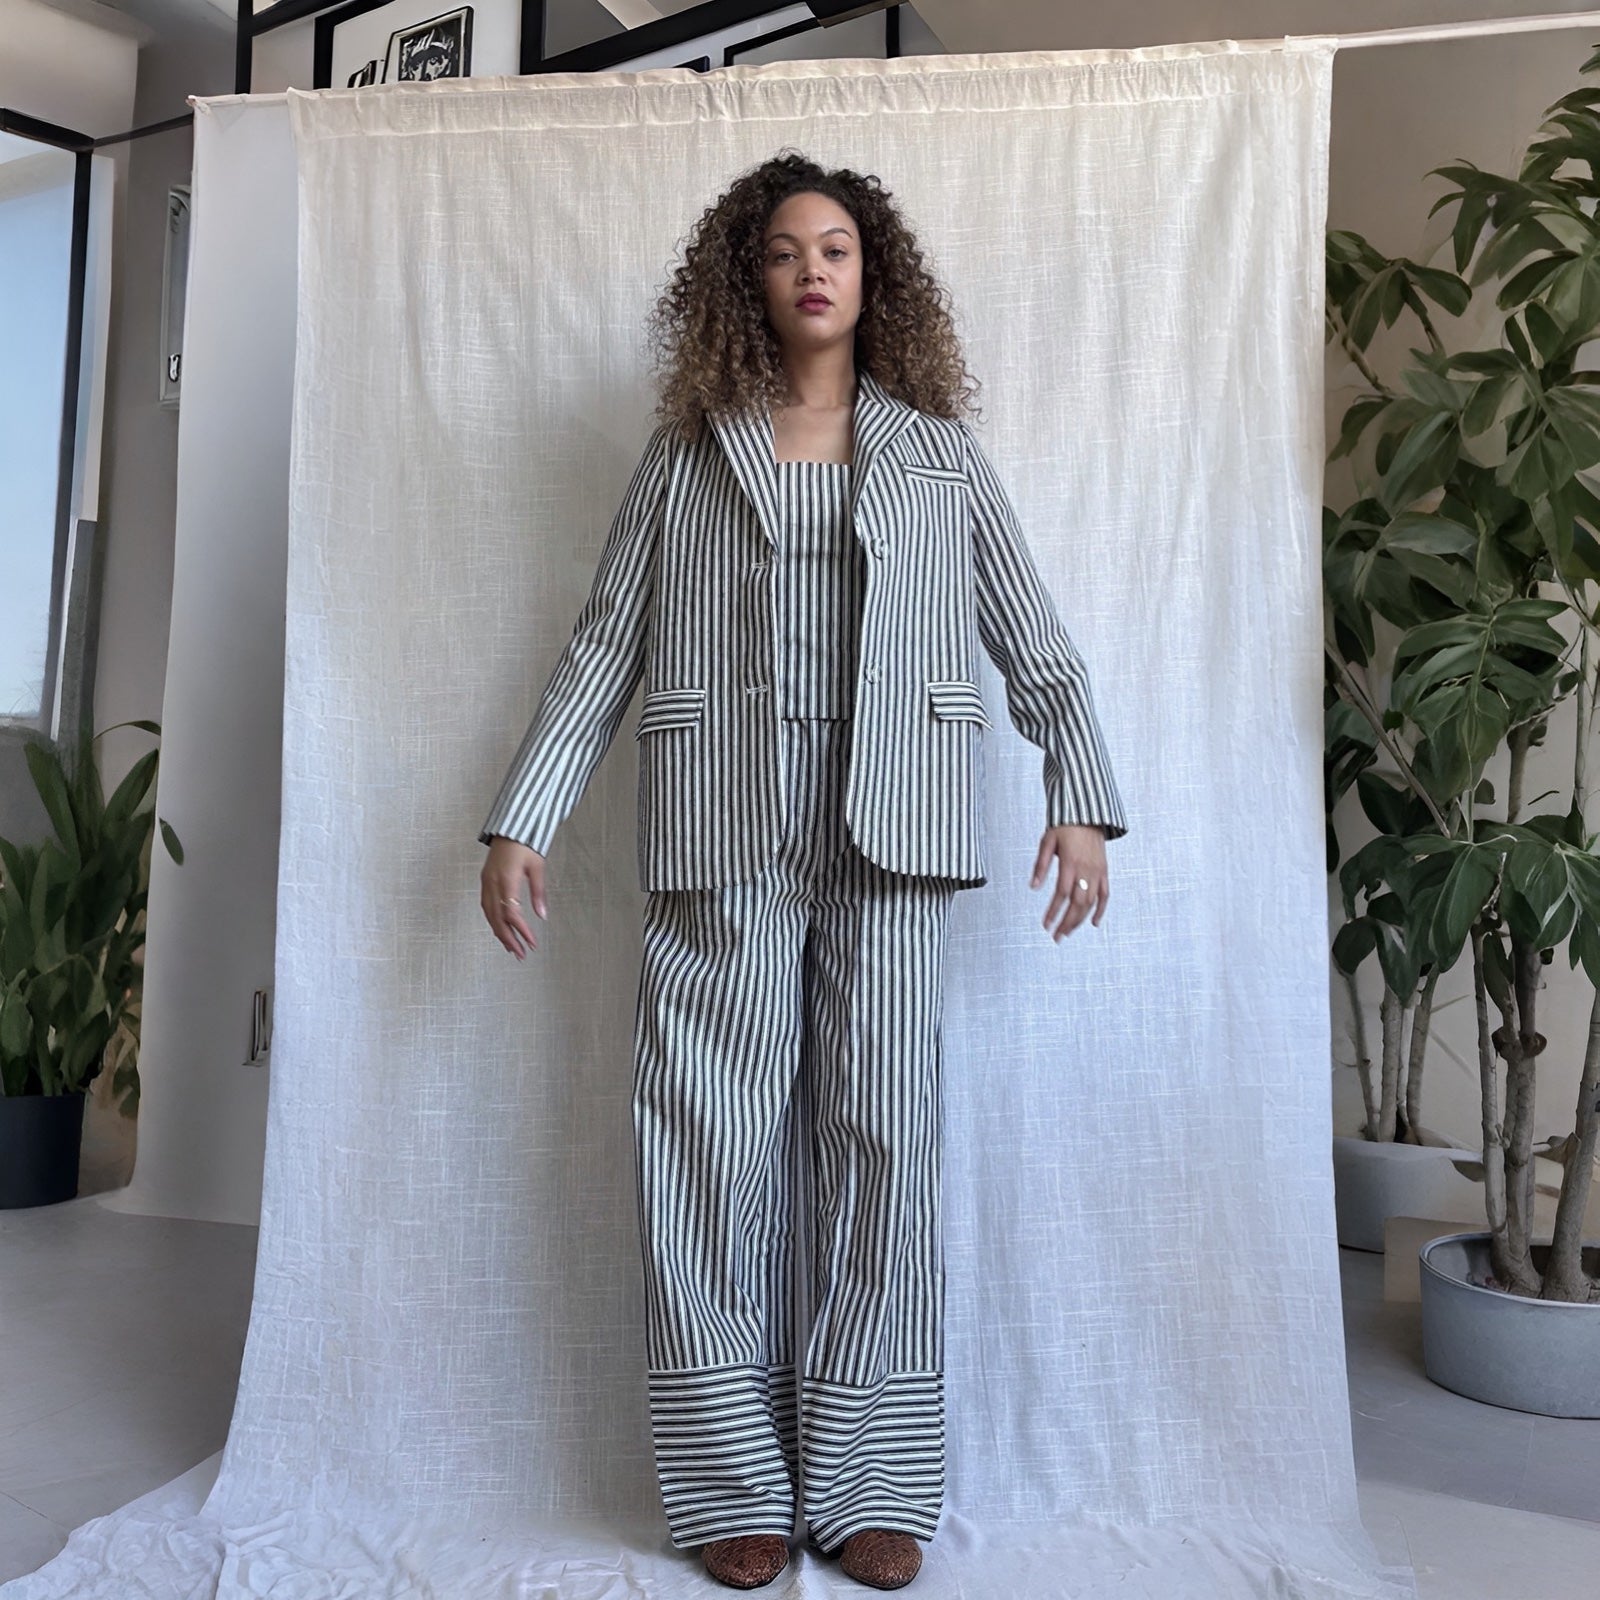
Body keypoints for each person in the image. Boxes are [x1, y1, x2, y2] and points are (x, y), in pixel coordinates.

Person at [478, 150, 1128, 1592]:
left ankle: (870, 1481)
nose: (812, 269)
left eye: (836, 247)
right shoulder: (687, 456)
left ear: (873, 276)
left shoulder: (941, 458)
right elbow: (603, 644)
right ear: (746, 282)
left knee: (882, 1144)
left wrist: (1080, 798)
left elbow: (1034, 640)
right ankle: (727, 1485)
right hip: (722, 831)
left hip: (895, 836)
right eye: (783, 251)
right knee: (702, 1148)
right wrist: (525, 816)